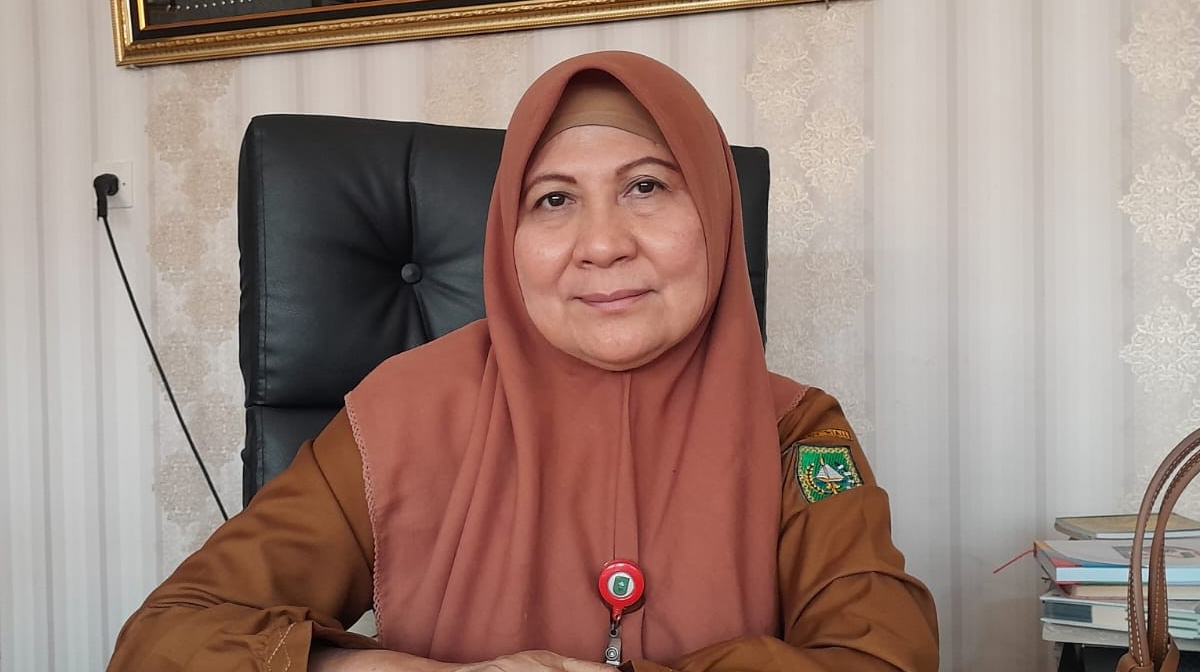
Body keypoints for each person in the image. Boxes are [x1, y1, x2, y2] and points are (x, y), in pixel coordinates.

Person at [106, 51, 938, 672]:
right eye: (554, 199)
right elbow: (165, 640)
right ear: (509, 237)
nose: (602, 244)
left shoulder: (799, 433)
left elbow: (883, 658)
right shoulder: (399, 416)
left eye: (647, 186)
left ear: (716, 215)